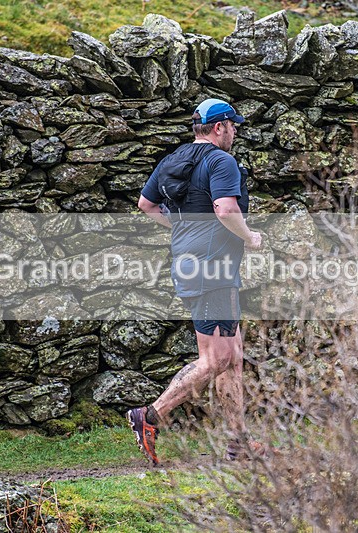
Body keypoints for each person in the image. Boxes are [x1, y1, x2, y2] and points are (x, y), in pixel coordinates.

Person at [127, 98, 262, 465]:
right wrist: (250, 237)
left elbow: (146, 204)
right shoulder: (222, 161)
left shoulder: (174, 159)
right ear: (219, 127)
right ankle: (149, 416)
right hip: (212, 271)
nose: (235, 131)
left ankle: (238, 444)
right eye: (233, 125)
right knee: (215, 359)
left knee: (232, 358)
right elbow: (226, 209)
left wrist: (184, 228)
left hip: (195, 265)